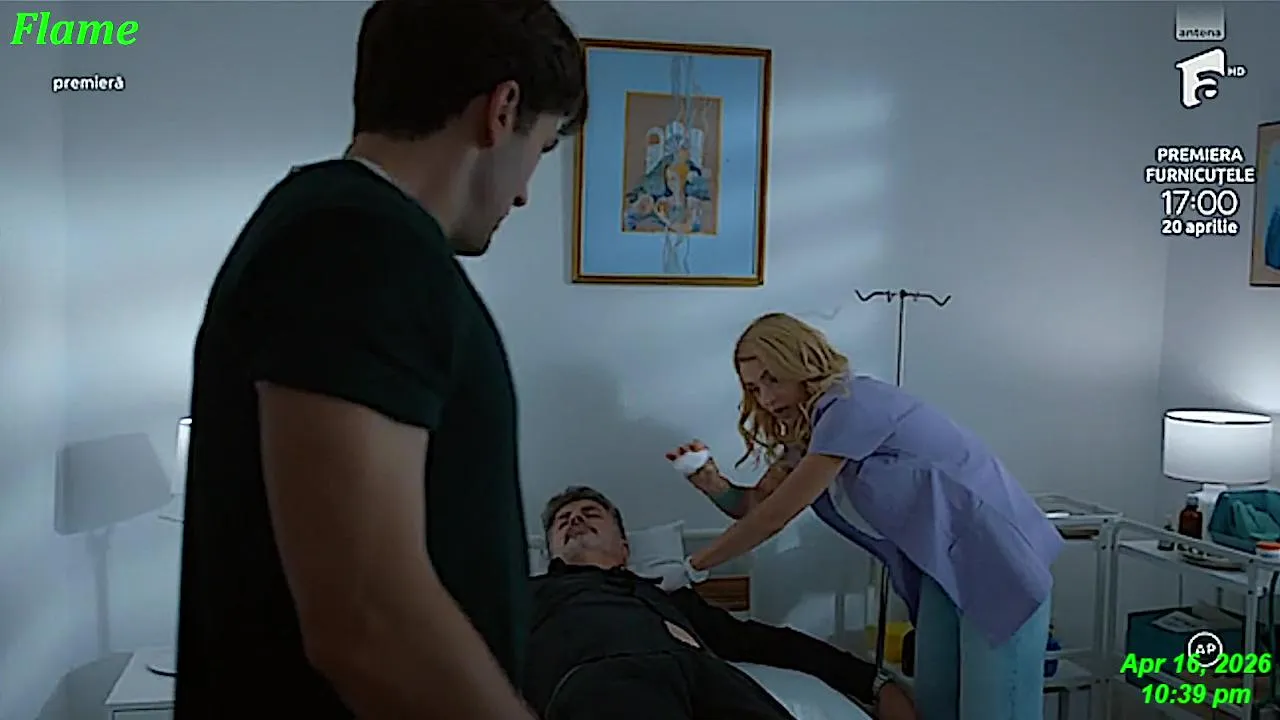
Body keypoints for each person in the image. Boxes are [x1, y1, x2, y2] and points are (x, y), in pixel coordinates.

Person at [174, 1, 587, 718]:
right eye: (543, 150)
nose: (524, 193)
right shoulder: (358, 241)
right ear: (502, 110)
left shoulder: (338, 229)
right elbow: (368, 620)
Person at [666, 312, 1064, 720]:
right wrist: (713, 484)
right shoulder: (812, 431)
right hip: (941, 568)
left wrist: (693, 566)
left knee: (994, 708)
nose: (766, 398)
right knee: (936, 703)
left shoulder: (853, 405)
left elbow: (775, 518)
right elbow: (758, 506)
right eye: (754, 388)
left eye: (773, 379)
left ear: (802, 364)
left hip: (994, 557)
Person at [529, 486, 919, 720]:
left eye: (590, 514)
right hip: (604, 677)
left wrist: (871, 682)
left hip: (705, 675)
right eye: (563, 521)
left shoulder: (665, 594)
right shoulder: (528, 594)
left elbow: (763, 642)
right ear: (550, 553)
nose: (575, 521)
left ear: (625, 547)